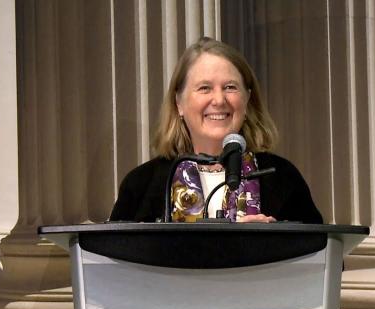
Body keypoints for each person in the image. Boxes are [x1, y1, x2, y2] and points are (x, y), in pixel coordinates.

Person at [110, 37, 322, 224]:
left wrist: (270, 242)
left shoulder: (282, 177)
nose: (219, 100)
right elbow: (108, 262)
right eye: (204, 88)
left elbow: (326, 260)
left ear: (247, 100)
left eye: (230, 87)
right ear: (179, 103)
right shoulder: (142, 184)